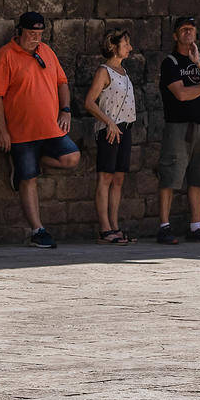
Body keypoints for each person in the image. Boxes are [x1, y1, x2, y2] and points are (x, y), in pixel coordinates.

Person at [0, 11, 80, 248]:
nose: (35, 39)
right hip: (20, 131)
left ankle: (35, 162)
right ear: (19, 32)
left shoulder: (47, 51)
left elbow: (62, 82)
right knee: (27, 180)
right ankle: (38, 230)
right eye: (31, 34)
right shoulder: (5, 55)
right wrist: (2, 131)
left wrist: (66, 109)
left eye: (39, 34)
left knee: (72, 157)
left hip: (50, 127)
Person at [155, 16, 200, 244]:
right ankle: (164, 226)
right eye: (183, 30)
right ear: (175, 35)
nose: (188, 33)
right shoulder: (170, 62)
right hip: (178, 127)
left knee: (199, 177)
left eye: (191, 29)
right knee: (170, 177)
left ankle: (195, 227)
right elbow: (181, 94)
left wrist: (199, 62)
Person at [83, 28, 138, 244]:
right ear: (114, 47)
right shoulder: (103, 72)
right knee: (105, 177)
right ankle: (104, 229)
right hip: (109, 130)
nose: (130, 48)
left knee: (118, 178)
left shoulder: (124, 72)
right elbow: (89, 102)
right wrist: (109, 123)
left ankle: (115, 225)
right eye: (126, 44)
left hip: (125, 129)